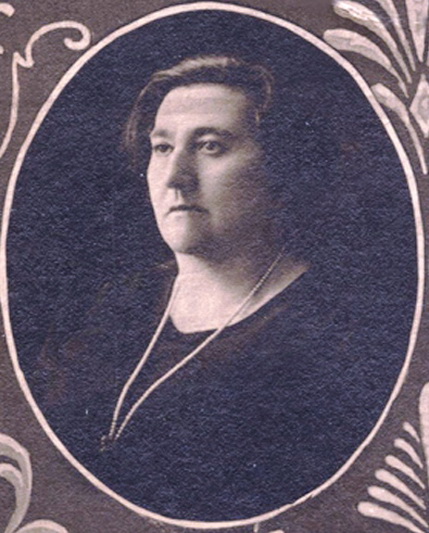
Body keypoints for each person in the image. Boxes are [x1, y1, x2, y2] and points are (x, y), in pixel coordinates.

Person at [38, 55, 407, 521]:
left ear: (281, 168)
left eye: (210, 146)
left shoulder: (336, 334)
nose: (175, 177)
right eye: (162, 148)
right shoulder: (118, 305)